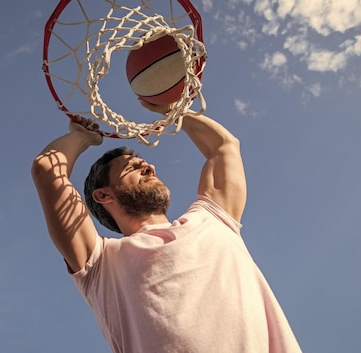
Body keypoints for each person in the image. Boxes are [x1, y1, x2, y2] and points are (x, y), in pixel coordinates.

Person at [31, 100, 302, 353]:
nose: (148, 166)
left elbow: (224, 146)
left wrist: (174, 110)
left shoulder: (213, 218)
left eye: (145, 163)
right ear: (104, 195)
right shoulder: (101, 264)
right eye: (132, 167)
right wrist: (83, 137)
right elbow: (47, 169)